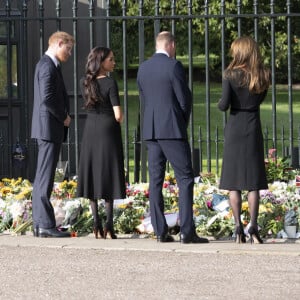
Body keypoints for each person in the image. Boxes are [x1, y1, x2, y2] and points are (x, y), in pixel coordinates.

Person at [137, 31, 209, 244]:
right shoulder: (173, 66)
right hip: (171, 130)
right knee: (185, 178)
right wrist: (180, 122)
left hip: (151, 130)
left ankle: (160, 230)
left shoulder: (143, 68)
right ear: (172, 45)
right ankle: (187, 231)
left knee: (156, 180)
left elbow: (145, 99)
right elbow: (184, 100)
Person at [218, 36, 270, 244]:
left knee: (234, 182)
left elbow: (224, 105)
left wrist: (221, 102)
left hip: (235, 127)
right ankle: (254, 227)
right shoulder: (263, 74)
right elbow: (260, 98)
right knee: (253, 182)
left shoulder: (230, 75)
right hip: (253, 126)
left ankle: (238, 226)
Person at [76, 46, 126, 239]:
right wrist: (120, 118)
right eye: (111, 60)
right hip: (108, 129)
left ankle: (96, 224)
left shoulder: (84, 82)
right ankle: (109, 225)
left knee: (92, 173)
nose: (113, 62)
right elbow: (118, 114)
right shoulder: (111, 83)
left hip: (90, 129)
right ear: (101, 61)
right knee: (109, 173)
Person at [31, 31, 75, 237]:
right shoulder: (48, 66)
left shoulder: (48, 65)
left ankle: (40, 224)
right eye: (69, 48)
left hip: (48, 128)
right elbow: (48, 98)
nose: (70, 53)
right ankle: (45, 225)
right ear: (59, 43)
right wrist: (64, 116)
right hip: (49, 128)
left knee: (43, 178)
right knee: (44, 178)